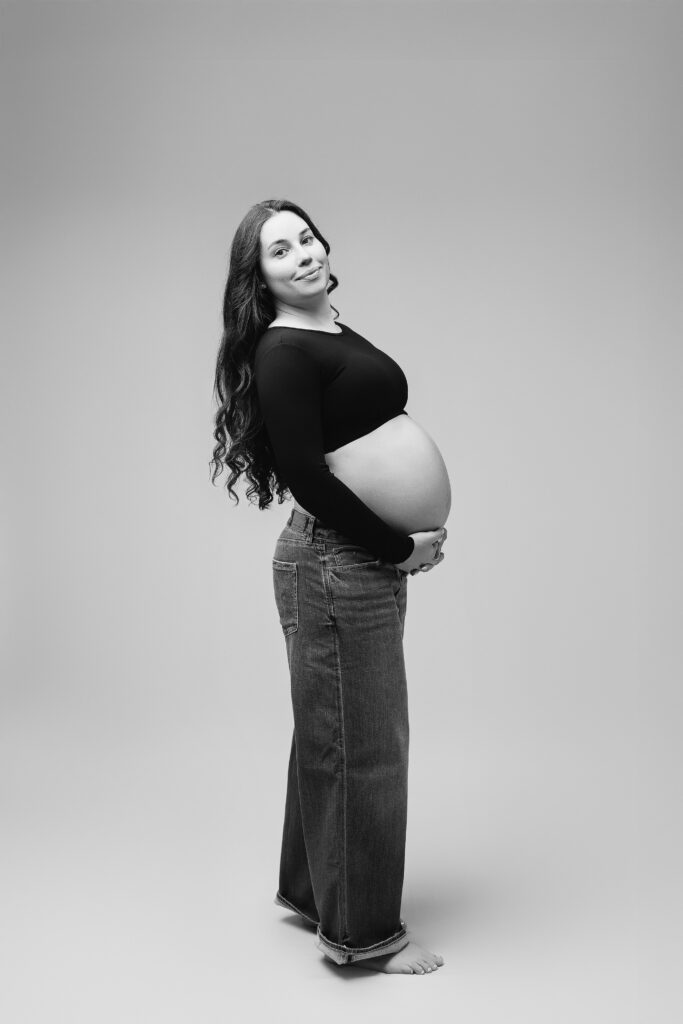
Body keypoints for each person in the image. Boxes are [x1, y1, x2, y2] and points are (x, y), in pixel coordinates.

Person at [210, 199, 451, 974]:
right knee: (364, 745)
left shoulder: (330, 329)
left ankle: (312, 892)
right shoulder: (283, 349)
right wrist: (393, 546)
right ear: (260, 277)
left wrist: (396, 545)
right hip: (337, 561)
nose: (303, 254)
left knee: (334, 731)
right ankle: (363, 937)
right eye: (281, 251)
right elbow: (305, 475)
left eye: (306, 237)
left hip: (349, 561)